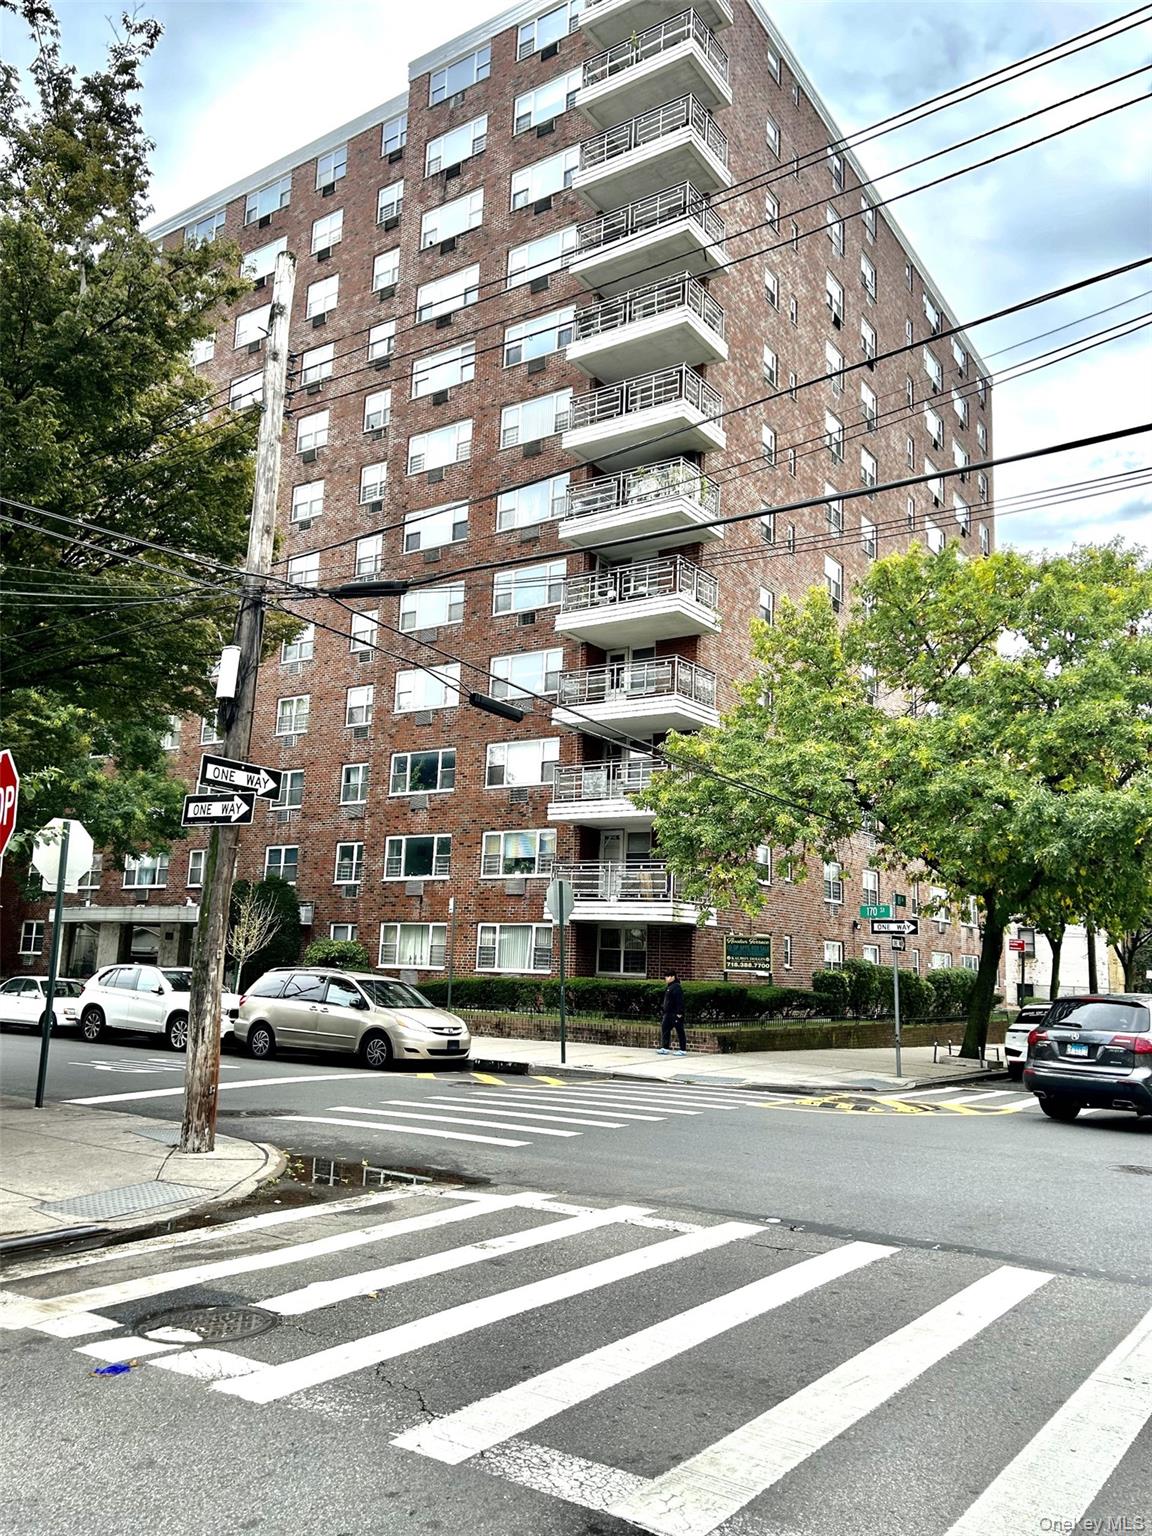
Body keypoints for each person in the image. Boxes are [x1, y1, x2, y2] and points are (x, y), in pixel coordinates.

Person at [658, 971, 686, 1056]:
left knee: (680, 1030)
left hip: (675, 1013)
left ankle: (682, 1049)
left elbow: (679, 1001)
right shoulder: (669, 987)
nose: (666, 978)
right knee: (665, 1028)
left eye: (667, 976)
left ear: (673, 977)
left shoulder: (676, 987)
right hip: (668, 1013)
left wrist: (679, 1012)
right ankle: (665, 1047)